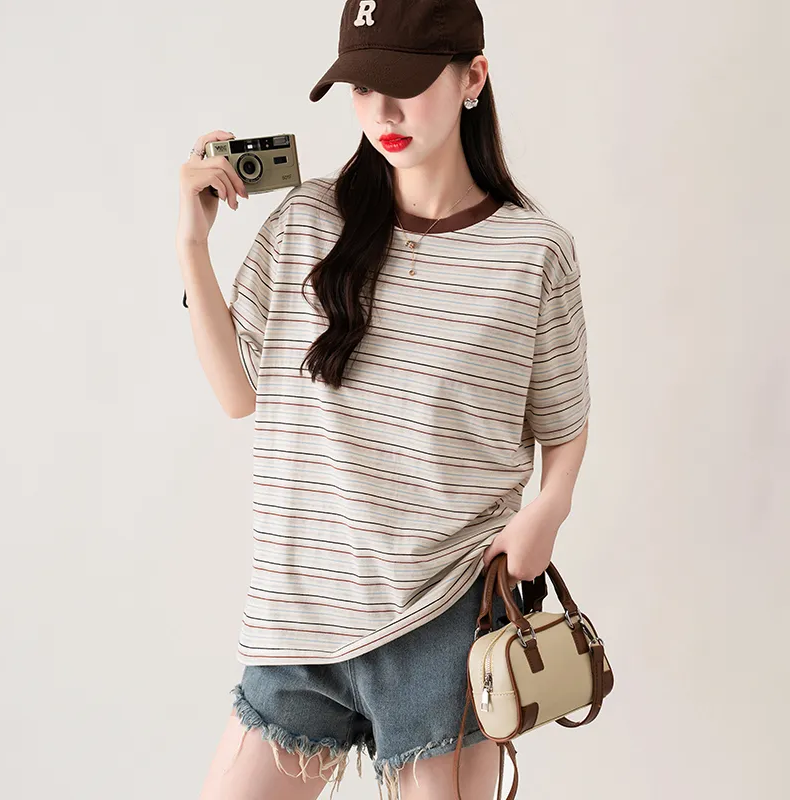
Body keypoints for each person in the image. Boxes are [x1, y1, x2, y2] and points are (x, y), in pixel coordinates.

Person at [176, 1, 591, 798]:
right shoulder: (307, 221)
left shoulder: (534, 253)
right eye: (363, 88)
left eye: (406, 85)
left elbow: (564, 419)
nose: (382, 114)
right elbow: (236, 393)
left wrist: (550, 509)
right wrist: (193, 242)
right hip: (298, 618)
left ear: (473, 78)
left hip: (447, 617)